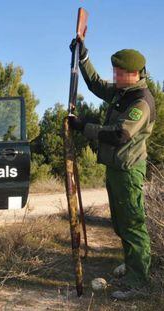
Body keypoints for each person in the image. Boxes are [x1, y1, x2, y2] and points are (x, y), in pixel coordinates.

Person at [69, 40, 155, 300]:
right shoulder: (123, 91)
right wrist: (83, 59)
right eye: (114, 71)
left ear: (135, 73)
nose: (114, 76)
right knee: (120, 223)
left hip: (128, 171)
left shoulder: (141, 101)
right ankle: (132, 266)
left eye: (119, 72)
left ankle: (138, 281)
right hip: (116, 168)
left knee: (132, 224)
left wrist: (85, 127)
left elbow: (121, 134)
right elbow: (96, 84)